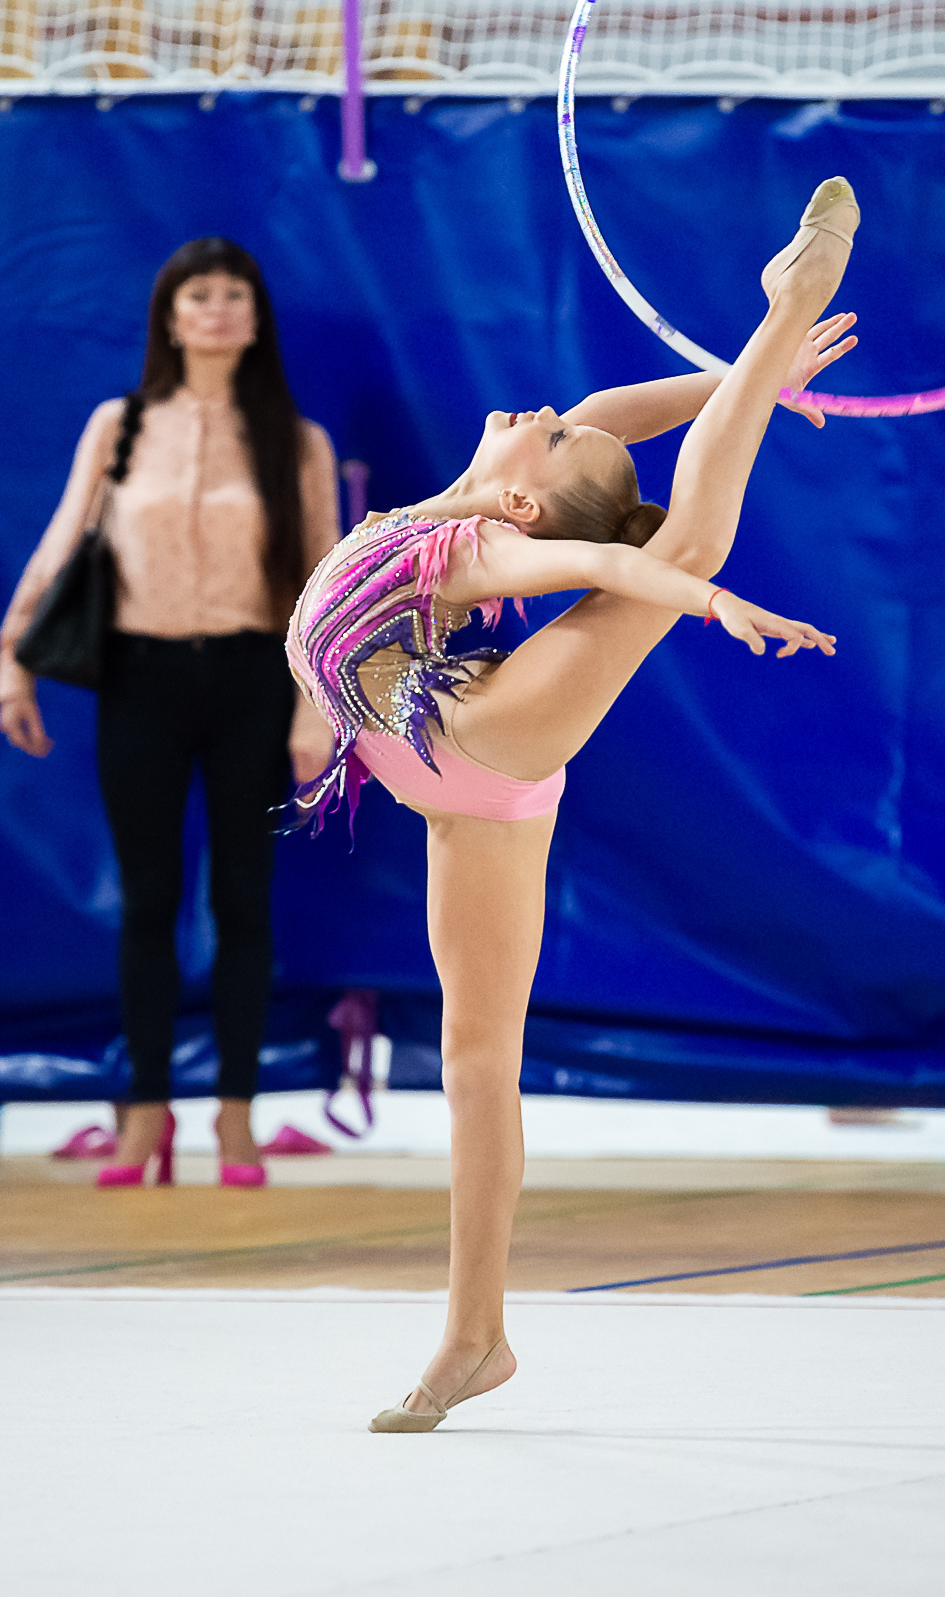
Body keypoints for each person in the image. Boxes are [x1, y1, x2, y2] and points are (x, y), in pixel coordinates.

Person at [287, 180, 860, 1430]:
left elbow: (608, 556)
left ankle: (792, 298)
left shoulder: (478, 543)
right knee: (477, 1064)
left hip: (477, 738)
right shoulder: (463, 505)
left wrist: (712, 603)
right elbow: (605, 422)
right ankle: (474, 1338)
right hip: (442, 776)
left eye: (547, 443)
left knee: (680, 553)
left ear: (521, 505)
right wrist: (739, 378)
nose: (549, 412)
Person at [0, 239, 340, 1189]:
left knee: (243, 900)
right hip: (140, 679)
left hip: (252, 680)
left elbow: (322, 579)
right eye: (200, 294)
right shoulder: (120, 426)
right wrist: (11, 659)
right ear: (171, 316)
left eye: (236, 295)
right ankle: (145, 1117)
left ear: (256, 317)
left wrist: (315, 709)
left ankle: (236, 1119)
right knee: (147, 902)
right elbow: (64, 541)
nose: (219, 309)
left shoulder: (293, 439)